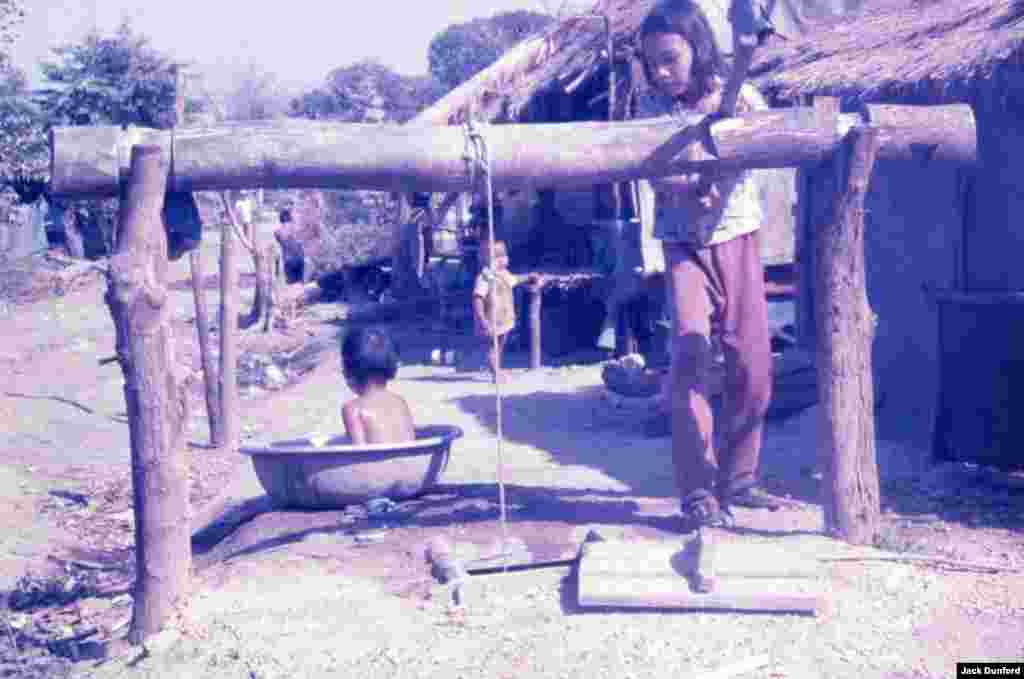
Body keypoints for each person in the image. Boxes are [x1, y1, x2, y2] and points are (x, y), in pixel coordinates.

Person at [638, 0, 779, 531]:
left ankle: (739, 478)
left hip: (737, 237)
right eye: (652, 63)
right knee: (692, 356)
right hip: (683, 246)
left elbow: (761, 144)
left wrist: (728, 154)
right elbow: (651, 170)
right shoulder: (652, 114)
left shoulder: (740, 97)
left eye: (670, 59)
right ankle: (698, 490)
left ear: (698, 48)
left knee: (753, 365)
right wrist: (687, 187)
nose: (660, 72)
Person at [472, 240, 539, 384]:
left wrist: (528, 277)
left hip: (503, 318)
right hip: (490, 319)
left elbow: (514, 280)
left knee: (499, 346)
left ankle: (497, 368)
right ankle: (495, 373)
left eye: (504, 255)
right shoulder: (485, 277)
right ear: (485, 260)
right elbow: (478, 298)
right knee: (492, 347)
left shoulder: (504, 274)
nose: (502, 259)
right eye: (497, 257)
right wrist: (482, 319)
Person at [340, 327, 416, 445]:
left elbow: (358, 455)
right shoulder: (400, 402)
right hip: (413, 463)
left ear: (348, 370)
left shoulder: (353, 409)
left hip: (375, 464)